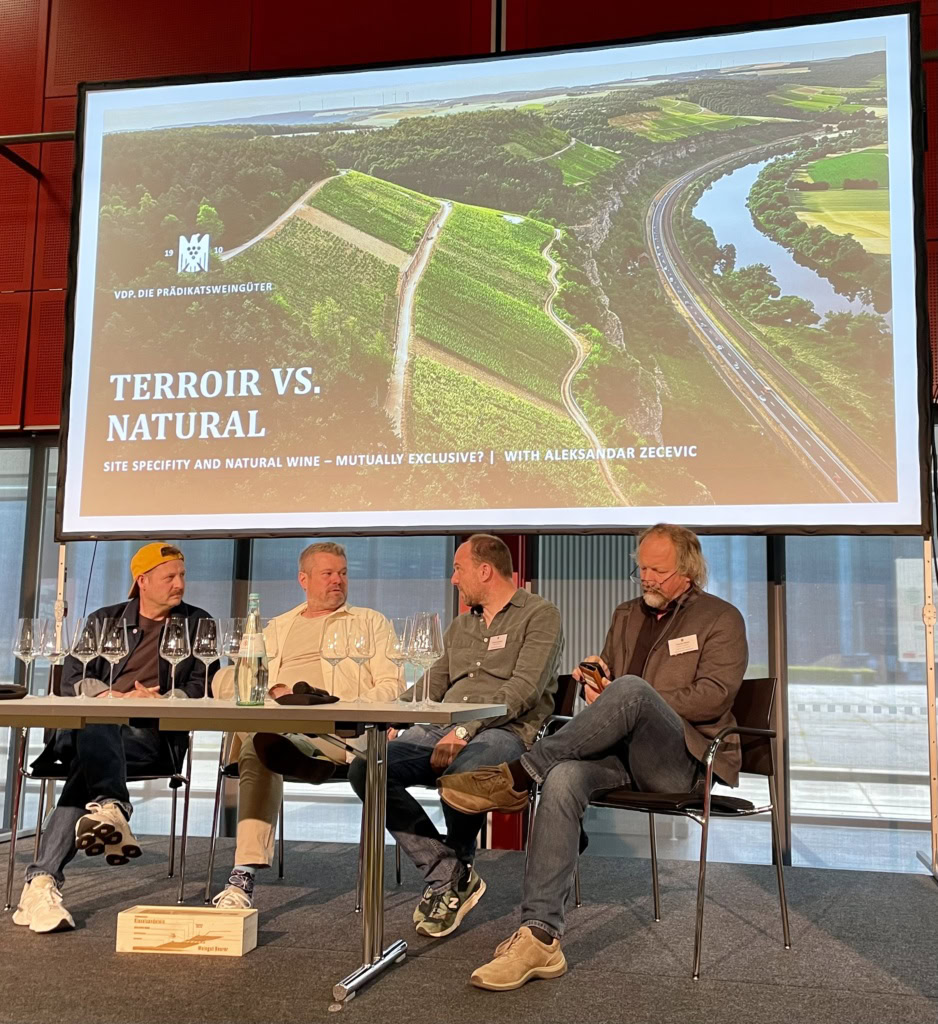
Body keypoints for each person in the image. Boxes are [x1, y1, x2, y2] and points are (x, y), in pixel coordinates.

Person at [440, 524, 748, 990]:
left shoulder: (721, 618)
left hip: (681, 759)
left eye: (657, 571)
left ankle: (522, 773)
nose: (645, 578)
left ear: (688, 571)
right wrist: (595, 679)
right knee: (563, 776)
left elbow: (712, 697)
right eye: (640, 568)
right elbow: (608, 682)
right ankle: (539, 936)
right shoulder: (626, 614)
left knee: (632, 691)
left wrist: (633, 696)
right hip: (622, 754)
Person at [349, 534, 563, 940]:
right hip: (441, 730)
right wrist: (389, 717)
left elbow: (523, 691)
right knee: (367, 768)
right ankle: (449, 872)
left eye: (458, 569)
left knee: (466, 769)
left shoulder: (540, 615)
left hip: (506, 733)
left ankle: (454, 873)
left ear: (485, 570)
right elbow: (433, 683)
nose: (452, 579)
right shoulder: (461, 625)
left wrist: (465, 730)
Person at [13, 543, 217, 934]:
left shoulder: (198, 623)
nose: (180, 584)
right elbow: (71, 680)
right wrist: (113, 697)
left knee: (89, 760)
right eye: (170, 577)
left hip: (152, 737)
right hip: (84, 733)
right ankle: (111, 806)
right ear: (142, 581)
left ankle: (42, 881)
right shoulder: (103, 621)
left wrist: (159, 698)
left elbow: (204, 686)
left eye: (182, 576)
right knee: (100, 719)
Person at [211, 541, 402, 910]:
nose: (338, 581)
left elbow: (392, 686)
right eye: (328, 573)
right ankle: (244, 873)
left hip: (341, 732)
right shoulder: (279, 626)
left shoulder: (369, 622)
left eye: (343, 574)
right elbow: (234, 677)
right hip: (281, 729)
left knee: (259, 748)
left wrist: (334, 702)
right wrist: (273, 690)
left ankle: (242, 877)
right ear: (304, 579)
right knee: (260, 741)